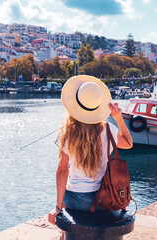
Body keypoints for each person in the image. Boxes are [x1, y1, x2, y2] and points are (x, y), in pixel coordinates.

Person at [47, 75, 133, 232]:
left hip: (74, 198)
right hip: (102, 198)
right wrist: (119, 118)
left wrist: (58, 206)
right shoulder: (109, 130)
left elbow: (62, 171)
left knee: (69, 231)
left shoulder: (67, 134)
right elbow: (128, 143)